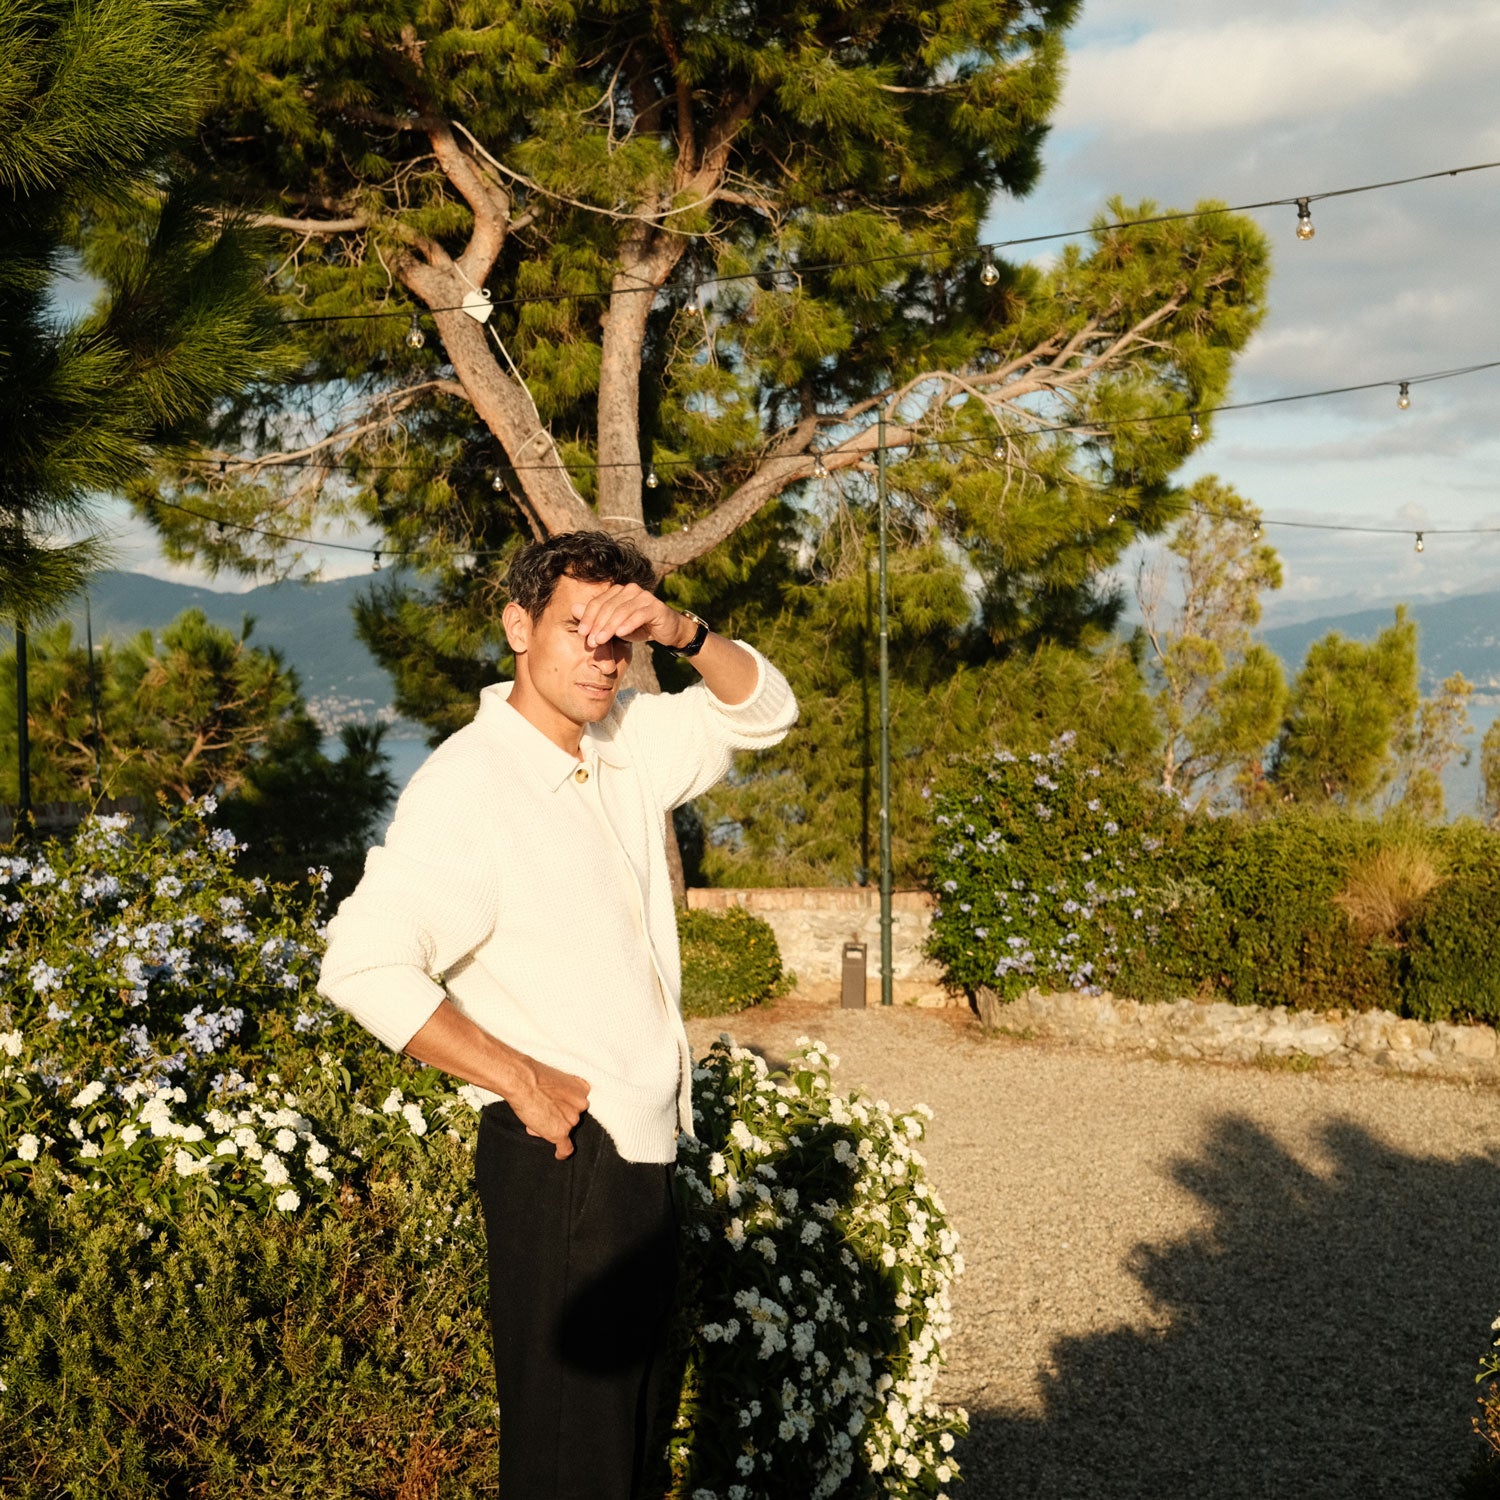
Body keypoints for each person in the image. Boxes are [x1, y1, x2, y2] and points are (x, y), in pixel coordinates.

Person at [317, 530, 797, 1499]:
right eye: (577, 628)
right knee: (571, 1464)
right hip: (568, 1159)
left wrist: (683, 630)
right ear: (517, 626)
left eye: (619, 638)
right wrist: (521, 1081)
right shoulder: (472, 785)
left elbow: (766, 712)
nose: (600, 656)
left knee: (626, 1450)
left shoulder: (623, 746)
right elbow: (362, 963)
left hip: (641, 1161)